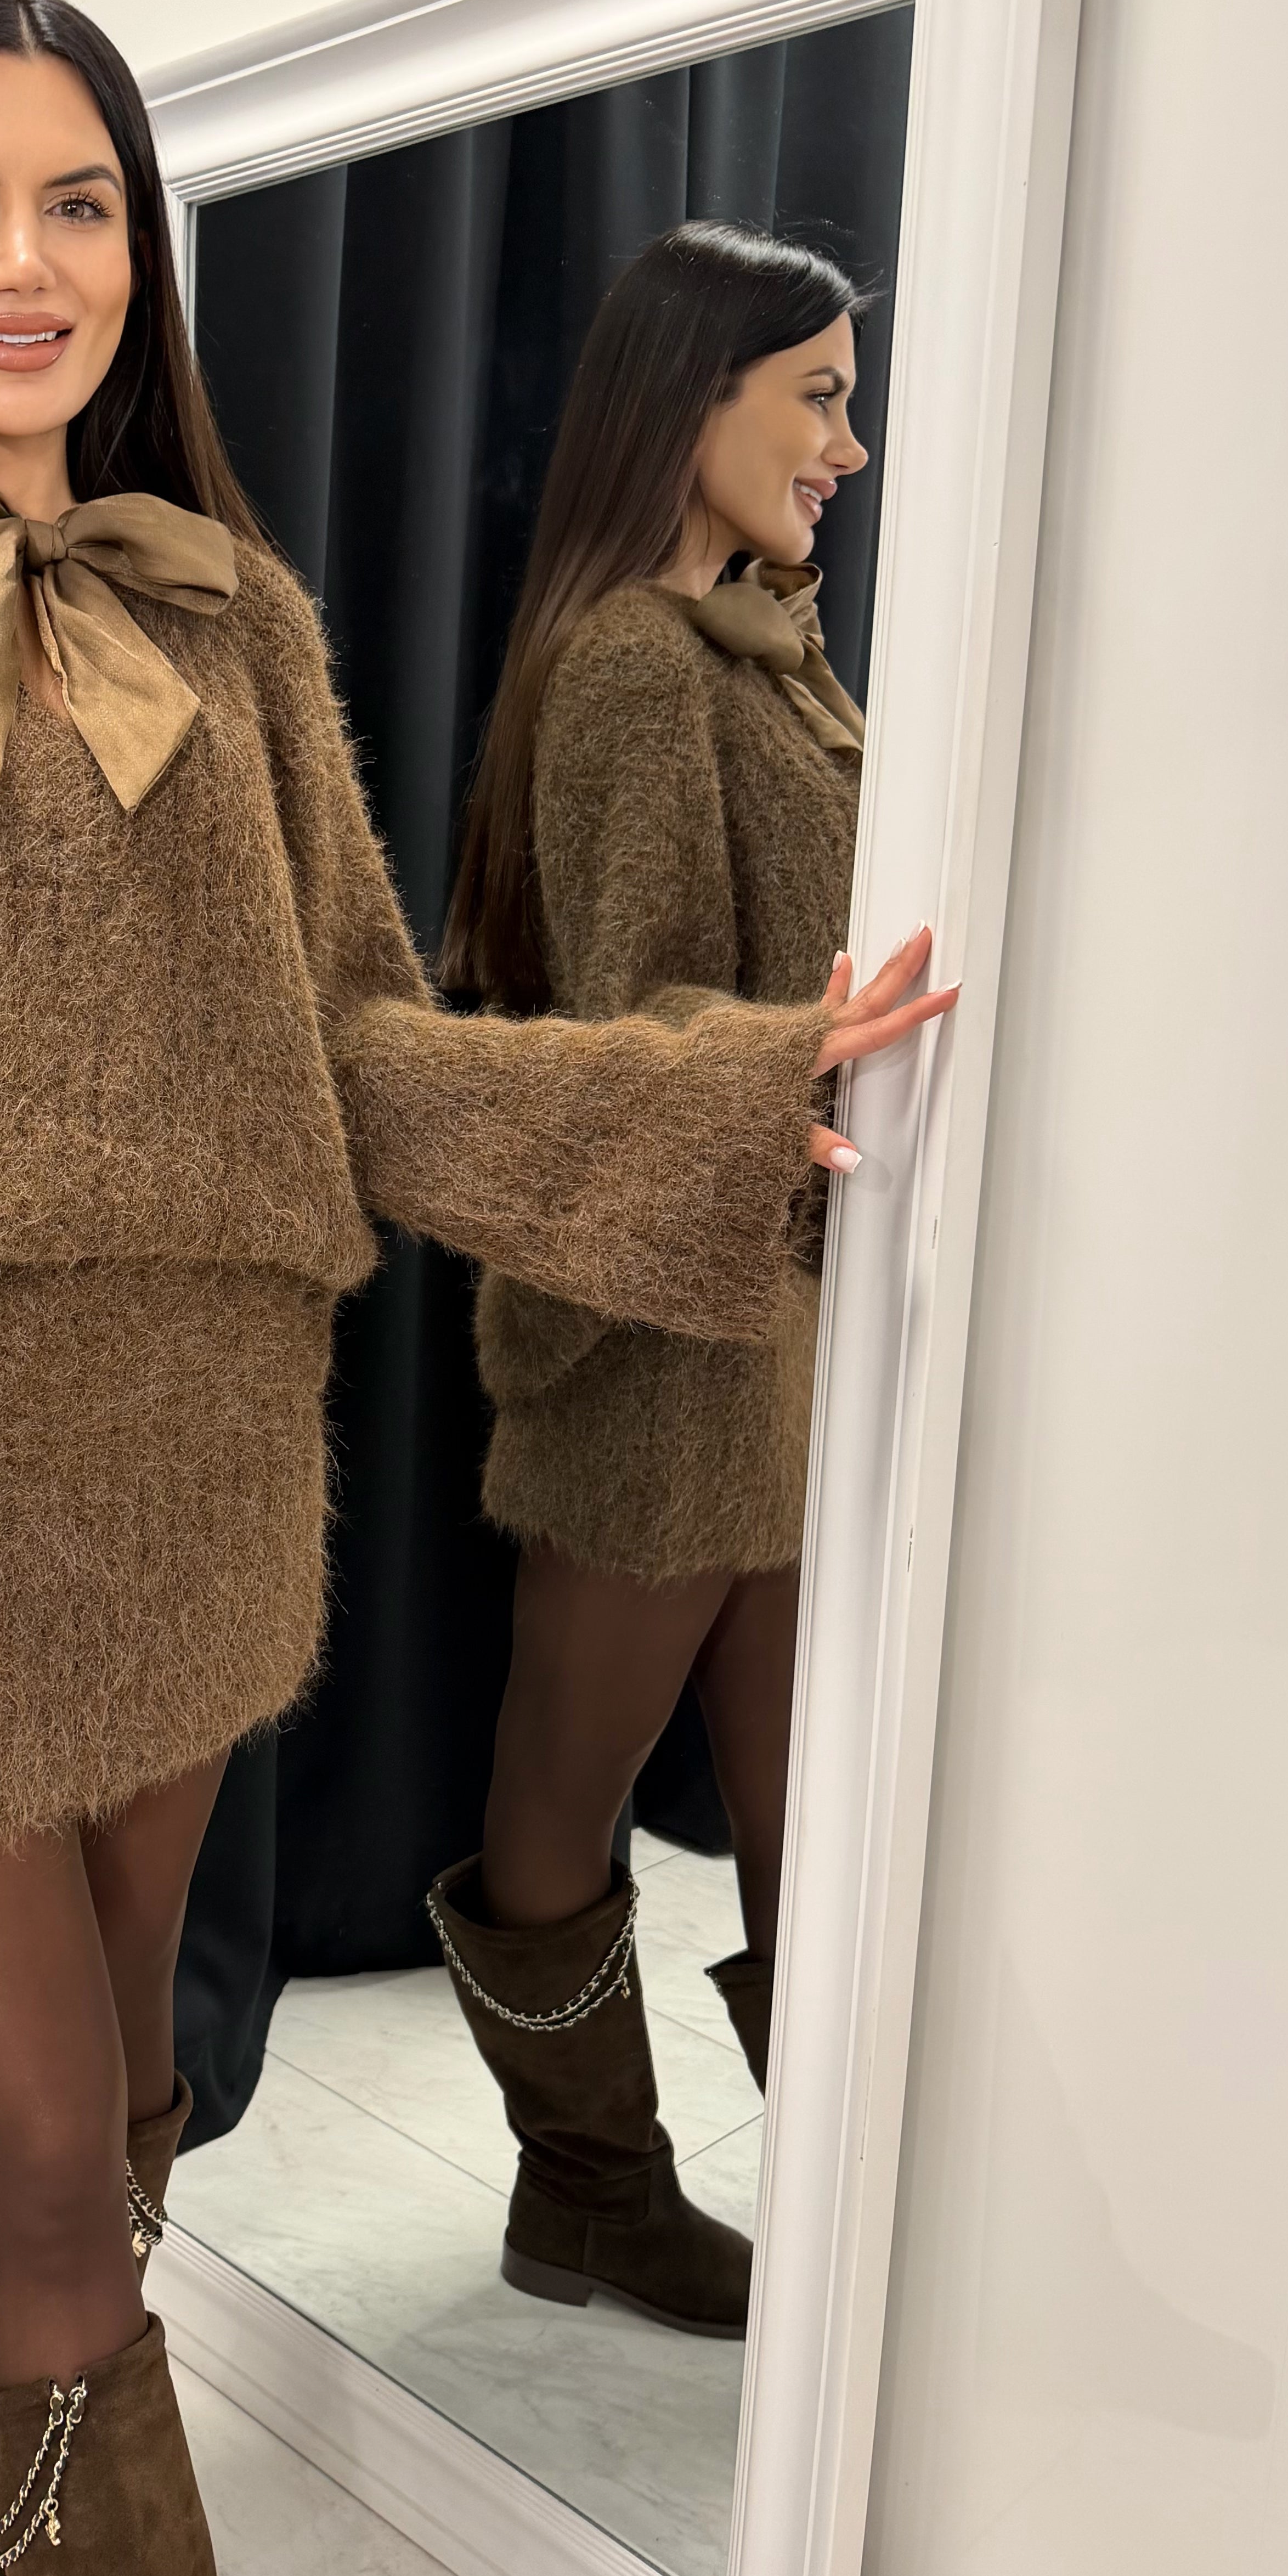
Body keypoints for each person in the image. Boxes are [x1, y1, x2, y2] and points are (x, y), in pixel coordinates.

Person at [0, 0, 948, 2576]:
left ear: (136, 253)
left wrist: (722, 1091)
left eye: (81, 202)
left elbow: (364, 1056)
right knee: (47, 2170)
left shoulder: (236, 615)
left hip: (196, 1481)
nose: (25, 260)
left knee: (112, 2130)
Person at [432, 220, 946, 2340]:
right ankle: (590, 2192)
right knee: (563, 1793)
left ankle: (858, 2247)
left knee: (804, 1793)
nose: (847, 443)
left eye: (847, 397)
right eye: (815, 393)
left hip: (787, 1322)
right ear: (690, 397)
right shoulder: (639, 666)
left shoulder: (764, 647)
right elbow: (636, 1027)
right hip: (657, 1332)